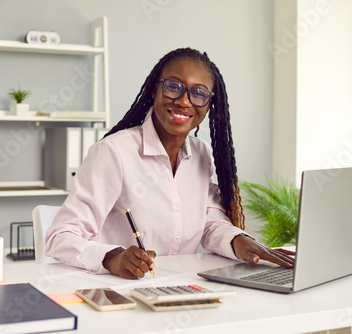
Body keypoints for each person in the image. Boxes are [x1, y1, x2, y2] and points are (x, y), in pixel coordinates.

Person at [45, 47, 294, 279]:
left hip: (180, 285)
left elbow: (209, 221)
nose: (184, 102)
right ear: (155, 89)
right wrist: (111, 257)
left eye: (199, 93)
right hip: (120, 291)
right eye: (174, 87)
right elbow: (60, 236)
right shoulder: (113, 152)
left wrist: (238, 241)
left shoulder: (201, 154)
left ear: (209, 105)